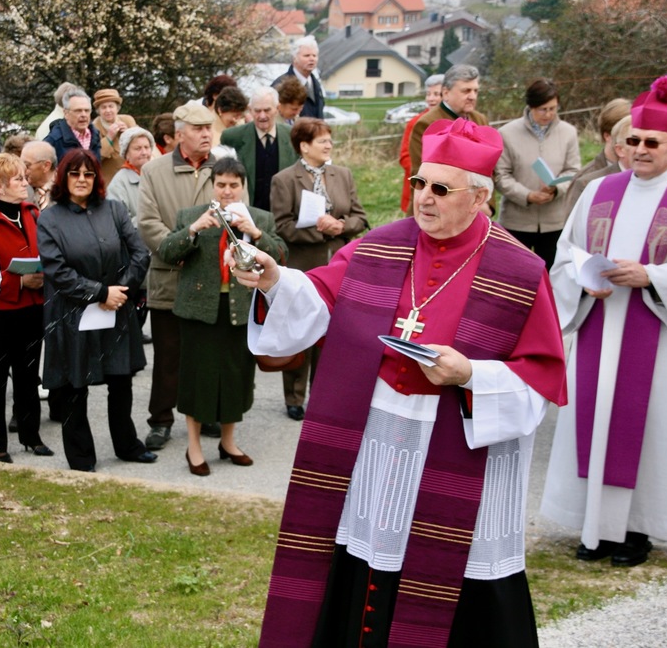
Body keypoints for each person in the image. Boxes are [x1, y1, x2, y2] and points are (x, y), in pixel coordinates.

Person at [235, 118, 566, 646]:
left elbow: (540, 377)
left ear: (480, 197)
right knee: (366, 560)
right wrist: (274, 278)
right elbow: (318, 297)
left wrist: (470, 374)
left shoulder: (520, 273)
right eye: (419, 183)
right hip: (377, 445)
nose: (424, 198)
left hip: (458, 452)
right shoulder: (380, 247)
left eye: (441, 189)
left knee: (449, 575)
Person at [541, 76, 667, 569]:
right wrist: (584, 279)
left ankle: (636, 530)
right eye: (634, 140)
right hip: (600, 325)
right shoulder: (599, 191)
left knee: (647, 428)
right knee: (595, 419)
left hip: (658, 332)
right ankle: (594, 527)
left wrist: (653, 276)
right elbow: (565, 255)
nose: (640, 150)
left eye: (652, 143)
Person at [158, 158, 287, 476]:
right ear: (212, 185)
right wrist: (193, 229)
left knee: (235, 378)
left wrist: (255, 233)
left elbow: (281, 256)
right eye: (221, 185)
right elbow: (166, 252)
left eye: (233, 185)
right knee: (196, 379)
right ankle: (194, 446)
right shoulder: (191, 215)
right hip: (198, 311)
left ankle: (228, 442)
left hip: (239, 312)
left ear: (243, 186)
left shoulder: (260, 218)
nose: (227, 191)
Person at [37, 150, 157, 472]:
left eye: (88, 174)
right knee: (74, 388)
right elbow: (57, 270)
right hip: (72, 313)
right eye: (75, 173)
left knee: (121, 381)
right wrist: (100, 293)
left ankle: (127, 445)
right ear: (63, 177)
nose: (82, 180)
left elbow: (140, 253)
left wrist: (119, 292)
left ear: (96, 178)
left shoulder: (114, 209)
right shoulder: (50, 218)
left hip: (117, 307)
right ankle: (81, 457)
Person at [271, 118, 369, 421]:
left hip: (338, 265)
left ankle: (323, 393)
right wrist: (319, 229)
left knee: (333, 334)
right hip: (304, 266)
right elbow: (281, 226)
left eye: (329, 140)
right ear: (304, 146)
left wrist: (340, 226)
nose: (329, 145)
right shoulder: (285, 179)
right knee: (302, 331)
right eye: (322, 141)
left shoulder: (343, 174)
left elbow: (361, 218)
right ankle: (294, 397)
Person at [138, 104, 221, 451]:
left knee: (207, 353)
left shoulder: (223, 168)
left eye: (209, 128)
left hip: (212, 276)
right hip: (170, 275)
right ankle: (161, 420)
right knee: (168, 356)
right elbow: (147, 224)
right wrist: (181, 244)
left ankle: (206, 413)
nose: (206, 134)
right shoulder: (153, 170)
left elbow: (237, 214)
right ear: (180, 134)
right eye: (198, 129)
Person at [0, 153, 53, 463]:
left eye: (24, 177)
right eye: (18, 178)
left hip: (33, 307)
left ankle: (31, 435)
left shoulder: (32, 213)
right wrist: (18, 281)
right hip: (0, 312)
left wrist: (42, 275)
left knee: (28, 374)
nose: (25, 182)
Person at [495, 78, 582, 270]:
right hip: (517, 222)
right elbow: (501, 176)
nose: (548, 114)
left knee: (553, 276)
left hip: (555, 221)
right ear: (531, 106)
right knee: (515, 275)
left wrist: (556, 189)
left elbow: (574, 170)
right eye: (543, 109)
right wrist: (527, 195)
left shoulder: (568, 133)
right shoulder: (506, 133)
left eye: (553, 108)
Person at [220, 86, 298, 211]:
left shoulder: (292, 136)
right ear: (250, 110)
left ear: (277, 108)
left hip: (283, 214)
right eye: (257, 111)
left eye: (267, 110)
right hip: (247, 213)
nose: (262, 116)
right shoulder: (233, 137)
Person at [409, 64, 488, 175]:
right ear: (446, 93)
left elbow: (489, 164)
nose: (472, 97)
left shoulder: (480, 120)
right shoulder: (428, 124)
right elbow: (421, 174)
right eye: (466, 91)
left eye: (475, 91)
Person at [562, 98, 631, 212]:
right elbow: (573, 221)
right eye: (627, 136)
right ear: (607, 136)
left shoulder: (642, 173)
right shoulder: (585, 180)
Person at [398, 74, 444, 214]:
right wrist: (424, 177)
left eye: (436, 94)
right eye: (428, 94)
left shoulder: (456, 122)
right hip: (419, 186)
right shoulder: (415, 123)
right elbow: (405, 156)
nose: (431, 98)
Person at [106, 127, 155, 227]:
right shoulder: (118, 184)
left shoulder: (158, 175)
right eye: (138, 148)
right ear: (126, 154)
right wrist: (152, 219)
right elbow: (119, 223)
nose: (144, 152)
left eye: (147, 147)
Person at [92, 88, 138, 186]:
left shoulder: (128, 120)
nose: (108, 110)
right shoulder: (94, 127)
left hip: (132, 176)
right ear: (98, 111)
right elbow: (96, 156)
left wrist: (128, 133)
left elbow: (140, 144)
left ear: (117, 108)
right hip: (108, 181)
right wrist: (109, 137)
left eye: (111, 106)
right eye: (103, 107)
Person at [272, 36, 325, 120]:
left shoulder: (316, 85)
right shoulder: (281, 85)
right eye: (307, 56)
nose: (312, 59)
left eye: (314, 56)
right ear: (294, 58)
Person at [45, 88, 101, 164]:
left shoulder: (95, 134)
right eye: (78, 111)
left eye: (87, 110)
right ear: (66, 113)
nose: (83, 115)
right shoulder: (54, 140)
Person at [21, 141, 57, 210]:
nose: (22, 170)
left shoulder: (67, 188)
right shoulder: (18, 187)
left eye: (27, 165)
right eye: (21, 164)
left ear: (46, 166)